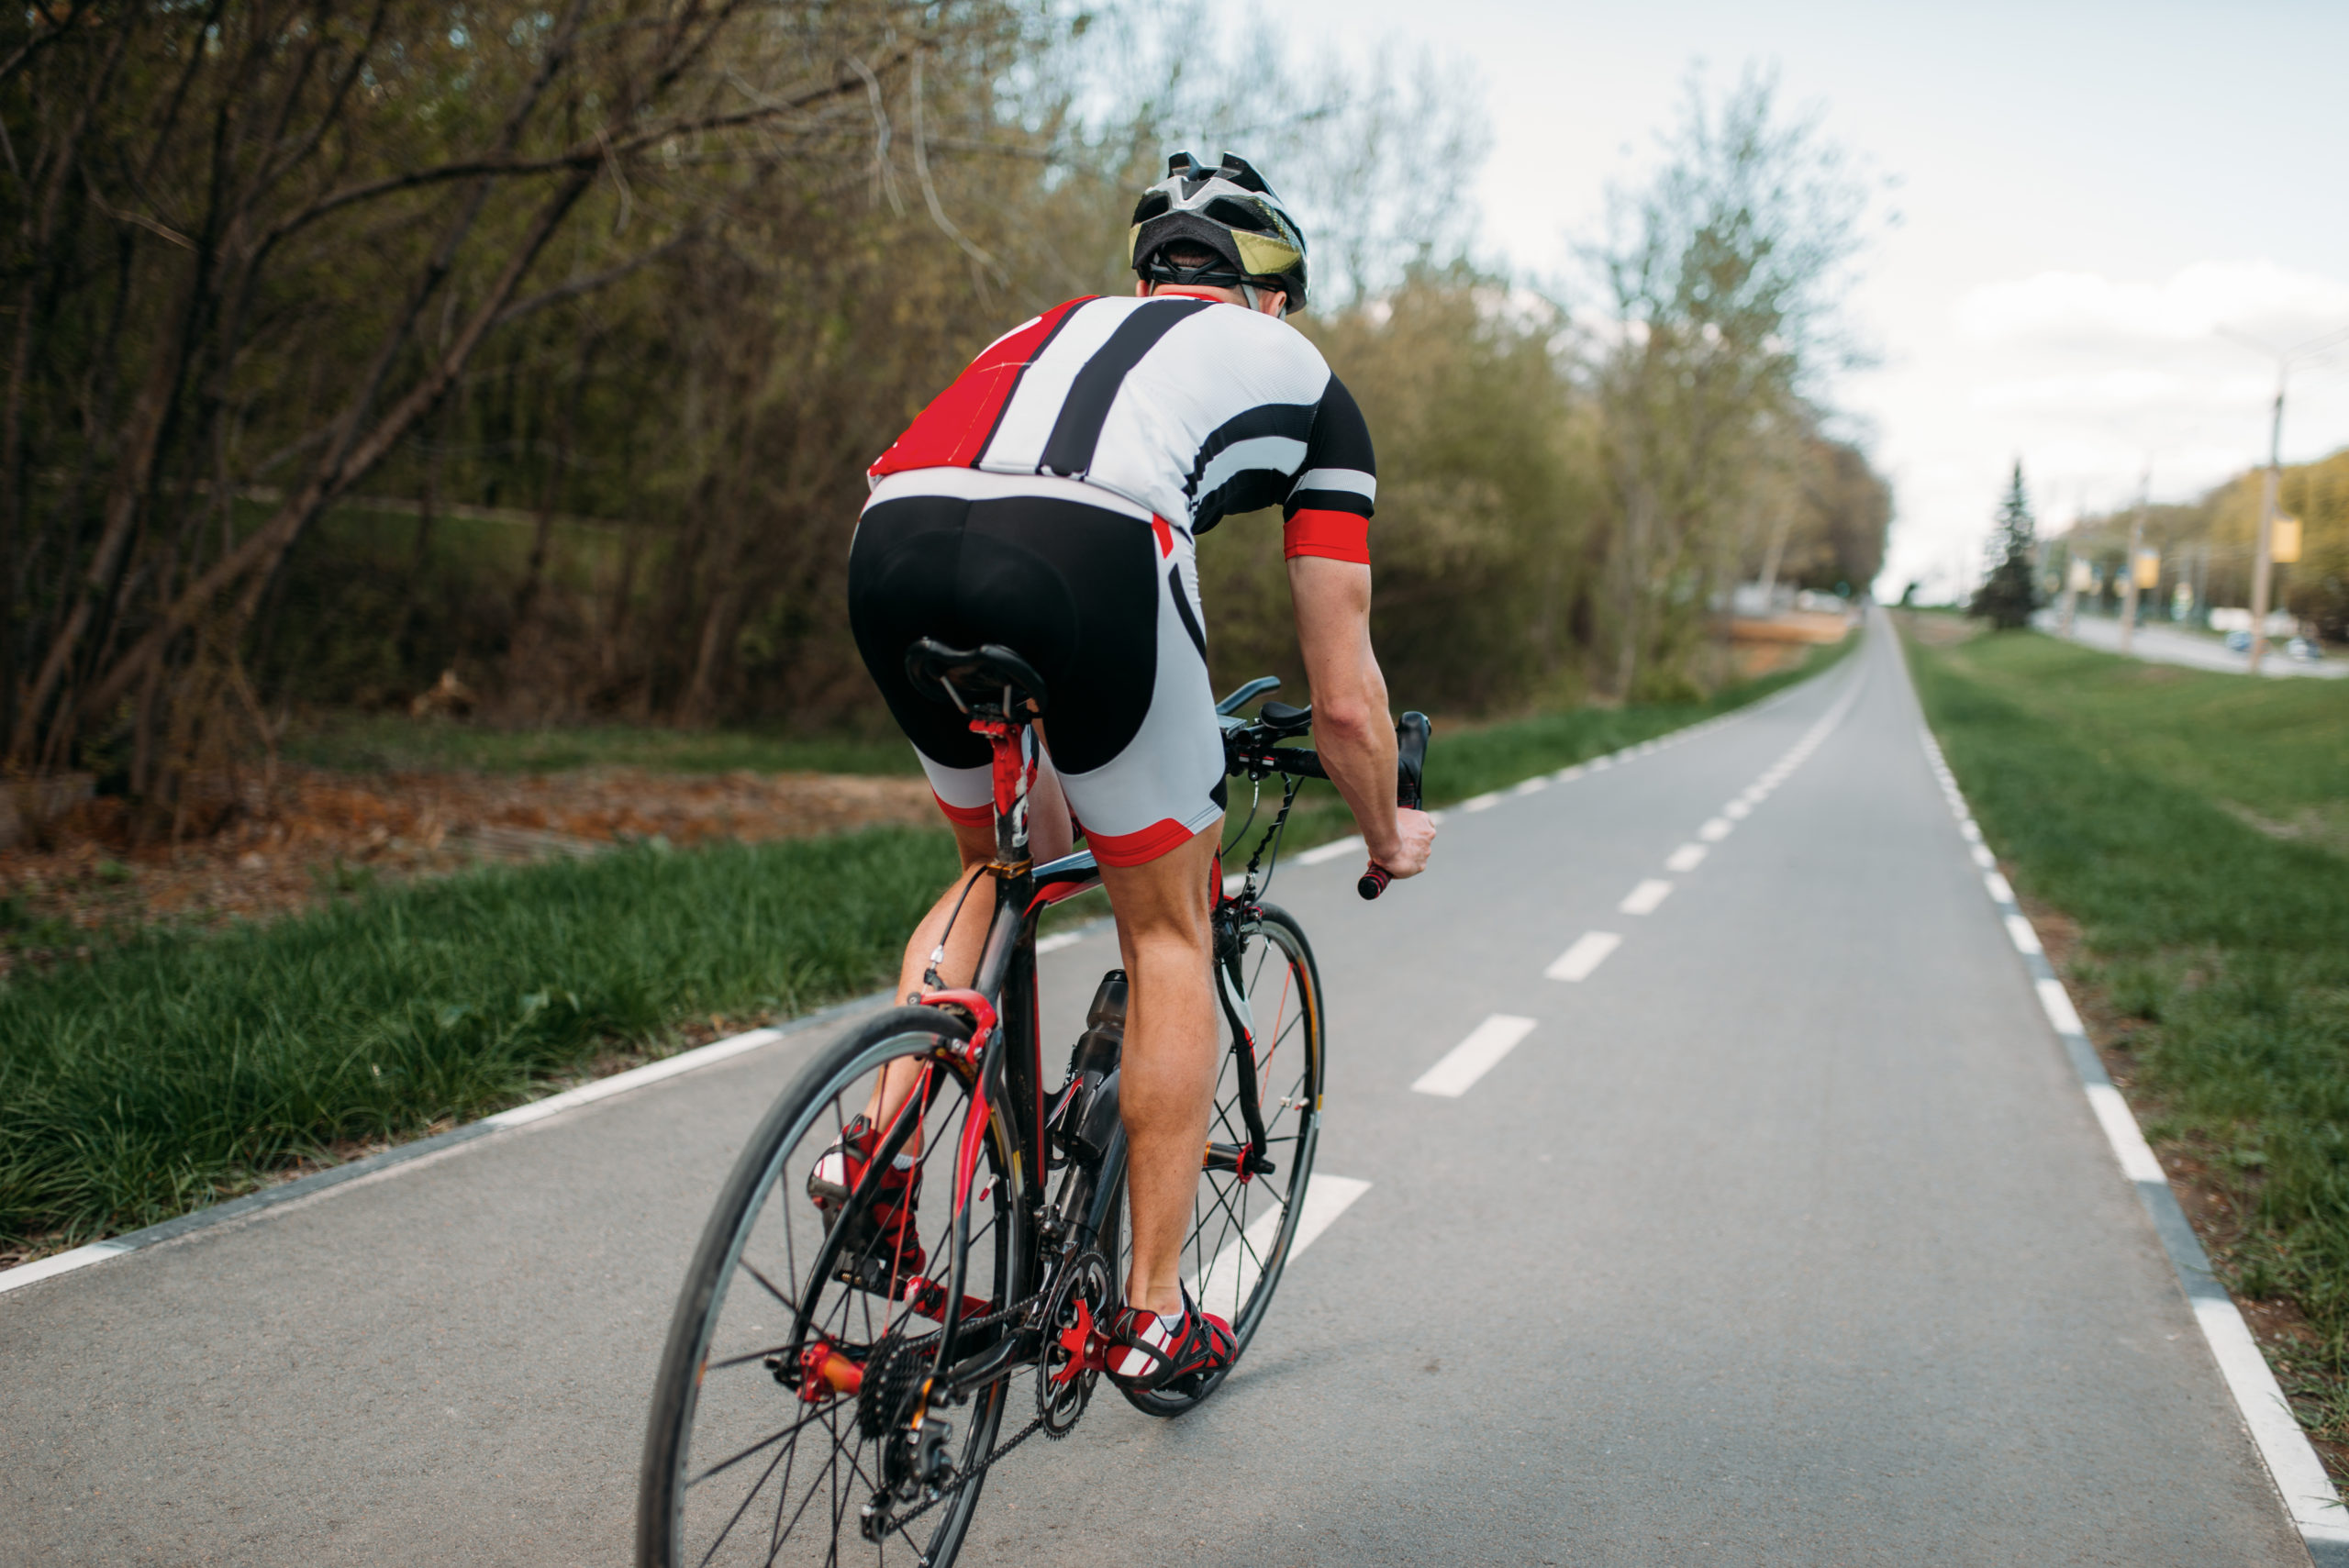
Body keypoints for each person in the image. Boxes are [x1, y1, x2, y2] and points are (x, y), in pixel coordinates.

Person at [824, 150, 1437, 1394]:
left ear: (1152, 279)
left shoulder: (1045, 327)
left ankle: (877, 1162)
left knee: (996, 863)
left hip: (895, 536)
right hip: (1093, 542)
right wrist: (1385, 830)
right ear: (1275, 295)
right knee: (1166, 925)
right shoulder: (1310, 383)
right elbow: (1344, 695)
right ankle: (1153, 1312)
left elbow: (928, 472)